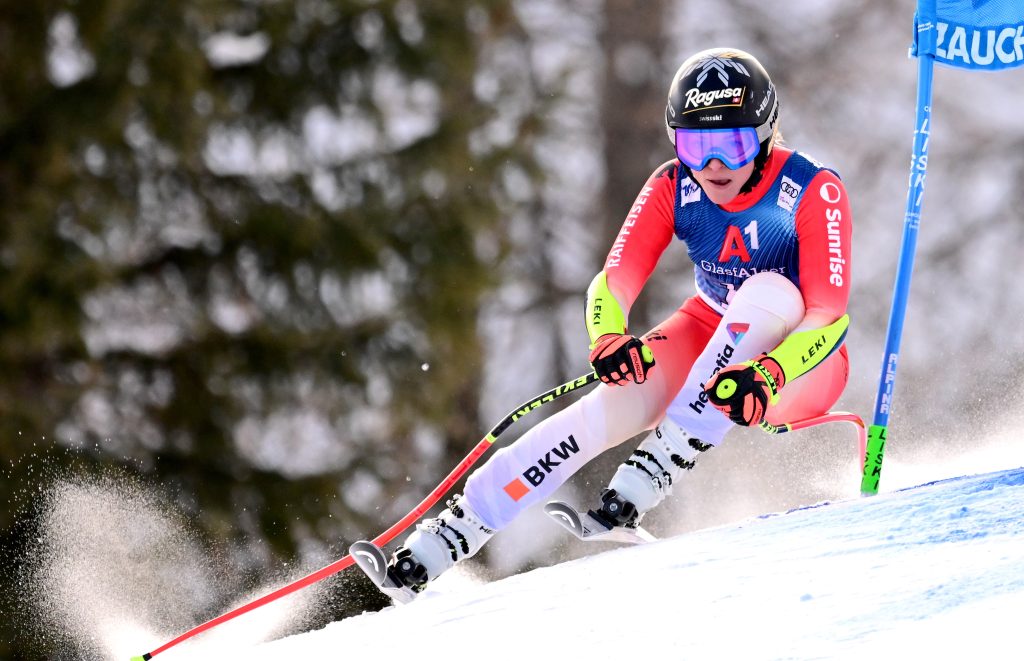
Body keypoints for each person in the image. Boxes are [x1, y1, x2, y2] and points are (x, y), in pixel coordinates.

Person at [379, 47, 852, 600]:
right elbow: (614, 279)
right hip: (710, 331)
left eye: (734, 143)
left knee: (769, 289)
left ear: (766, 135)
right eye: (698, 146)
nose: (715, 165)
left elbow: (828, 319)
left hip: (800, 363)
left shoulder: (812, 190)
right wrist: (608, 336)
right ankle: (449, 535)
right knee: (605, 407)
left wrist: (769, 372)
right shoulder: (675, 186)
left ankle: (651, 470)